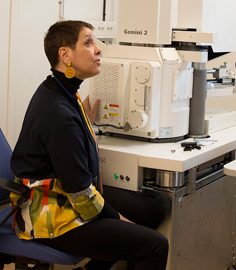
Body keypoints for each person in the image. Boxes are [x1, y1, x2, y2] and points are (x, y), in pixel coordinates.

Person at [10, 20, 168, 270]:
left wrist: (86, 124)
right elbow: (80, 193)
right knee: (155, 245)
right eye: (88, 42)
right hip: (50, 213)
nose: (98, 49)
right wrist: (118, 218)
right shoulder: (59, 113)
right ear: (65, 55)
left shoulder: (60, 91)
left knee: (151, 211)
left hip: (65, 193)